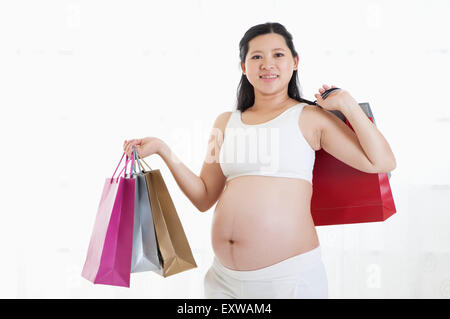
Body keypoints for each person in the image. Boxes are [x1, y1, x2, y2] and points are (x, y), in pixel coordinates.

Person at [123, 22, 396, 299]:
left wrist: (347, 104)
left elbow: (382, 161)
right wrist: (163, 150)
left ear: (295, 61)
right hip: (223, 281)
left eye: (278, 55)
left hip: (289, 279)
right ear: (243, 66)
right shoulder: (225, 122)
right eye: (256, 57)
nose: (268, 64)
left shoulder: (310, 118)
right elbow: (204, 197)